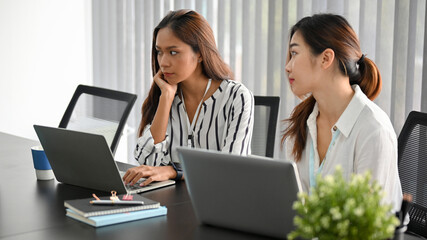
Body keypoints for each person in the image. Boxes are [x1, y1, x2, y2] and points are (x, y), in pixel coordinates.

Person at [282, 13, 402, 212]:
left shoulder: (373, 130)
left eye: (294, 53)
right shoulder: (301, 123)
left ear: (326, 58)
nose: (287, 67)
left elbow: (368, 226)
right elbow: (295, 211)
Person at [123, 9, 254, 187]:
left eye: (173, 52)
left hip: (219, 204)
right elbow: (148, 162)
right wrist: (166, 100)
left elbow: (230, 170)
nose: (163, 62)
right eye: (159, 52)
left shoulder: (236, 97)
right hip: (173, 203)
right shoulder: (167, 95)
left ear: (199, 53)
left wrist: (174, 171)